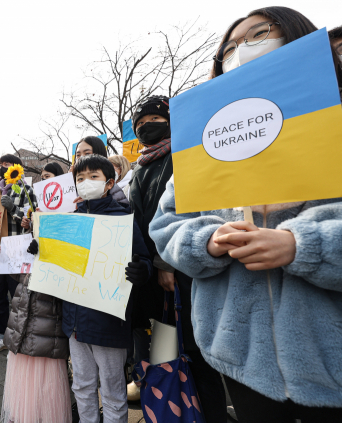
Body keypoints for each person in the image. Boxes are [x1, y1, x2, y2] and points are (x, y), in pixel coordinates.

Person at [150, 7, 342, 423]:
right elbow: (166, 226)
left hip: (332, 366)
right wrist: (209, 242)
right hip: (239, 356)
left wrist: (301, 245)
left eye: (258, 35)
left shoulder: (333, 120)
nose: (241, 52)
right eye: (229, 48)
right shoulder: (203, 139)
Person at [128, 95, 228, 419]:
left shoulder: (184, 155)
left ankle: (209, 412)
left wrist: (166, 263)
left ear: (169, 120)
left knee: (194, 352)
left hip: (179, 273)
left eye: (152, 121)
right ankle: (170, 409)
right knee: (163, 351)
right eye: (140, 125)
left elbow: (184, 214)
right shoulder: (140, 168)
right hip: (151, 281)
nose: (146, 128)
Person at [57, 154, 152, 423]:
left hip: (107, 322)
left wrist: (141, 270)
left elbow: (143, 260)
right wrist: (42, 251)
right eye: (80, 178)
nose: (86, 182)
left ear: (109, 183)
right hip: (75, 321)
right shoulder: (71, 219)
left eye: (93, 177)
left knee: (112, 390)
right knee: (82, 386)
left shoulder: (122, 219)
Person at [1, 268, 71, 423]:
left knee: (47, 380)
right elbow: (18, 276)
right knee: (24, 380)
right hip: (23, 311)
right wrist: (11, 260)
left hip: (48, 315)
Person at [0, 154, 37, 353]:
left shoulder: (25, 189)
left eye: (7, 164)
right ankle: (1, 335)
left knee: (17, 297)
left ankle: (17, 337)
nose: (3, 167)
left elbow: (32, 220)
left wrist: (13, 208)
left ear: (17, 168)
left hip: (16, 251)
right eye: (1, 165)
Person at [73, 136, 130, 208]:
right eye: (78, 155)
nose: (81, 158)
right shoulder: (77, 189)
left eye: (87, 153)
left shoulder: (115, 195)